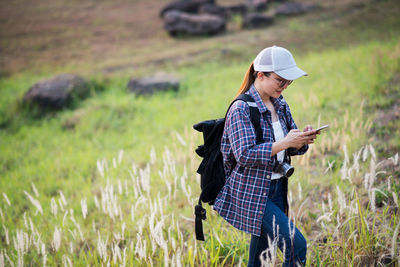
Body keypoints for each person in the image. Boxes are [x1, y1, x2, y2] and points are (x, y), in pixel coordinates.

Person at [213, 46, 319, 266]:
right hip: (252, 191)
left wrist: (302, 140)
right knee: (296, 244)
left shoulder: (280, 104)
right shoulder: (240, 109)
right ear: (260, 75)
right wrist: (285, 142)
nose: (285, 86)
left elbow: (289, 147)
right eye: (281, 81)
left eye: (289, 82)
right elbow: (244, 155)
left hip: (278, 186)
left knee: (262, 257)